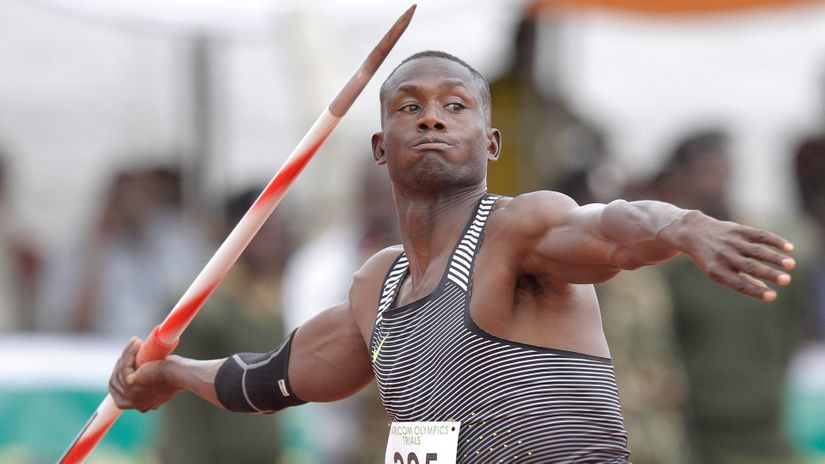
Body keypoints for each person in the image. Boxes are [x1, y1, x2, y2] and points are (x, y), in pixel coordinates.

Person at [108, 51, 796, 463]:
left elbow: (616, 227)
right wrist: (171, 373)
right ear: (381, 149)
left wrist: (686, 227)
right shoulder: (374, 287)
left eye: (453, 106)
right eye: (408, 107)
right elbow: (267, 378)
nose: (431, 117)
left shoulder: (519, 232)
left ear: (490, 144)